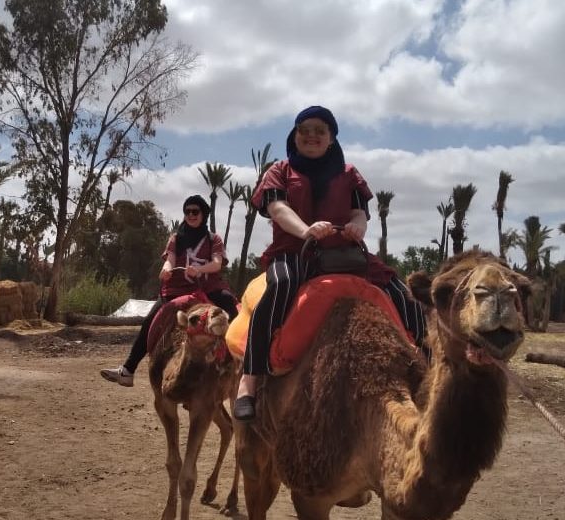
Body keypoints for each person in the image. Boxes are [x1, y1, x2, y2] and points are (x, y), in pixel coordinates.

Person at [233, 106, 426, 421]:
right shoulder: (278, 171)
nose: (311, 135)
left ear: (332, 138)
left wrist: (358, 227)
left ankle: (424, 367)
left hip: (344, 252)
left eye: (320, 130)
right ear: (294, 135)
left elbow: (358, 212)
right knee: (280, 285)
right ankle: (250, 379)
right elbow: (278, 207)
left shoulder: (349, 174)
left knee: (401, 293)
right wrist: (306, 230)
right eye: (304, 129)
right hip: (294, 249)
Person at [100, 195, 239, 387]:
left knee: (231, 307)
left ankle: (240, 364)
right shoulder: (176, 238)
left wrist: (199, 269)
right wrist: (166, 268)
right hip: (176, 288)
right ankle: (128, 370)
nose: (191, 215)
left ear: (203, 214)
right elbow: (170, 259)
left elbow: (216, 264)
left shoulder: (213, 239)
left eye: (195, 211)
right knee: (150, 321)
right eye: (187, 211)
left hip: (207, 286)